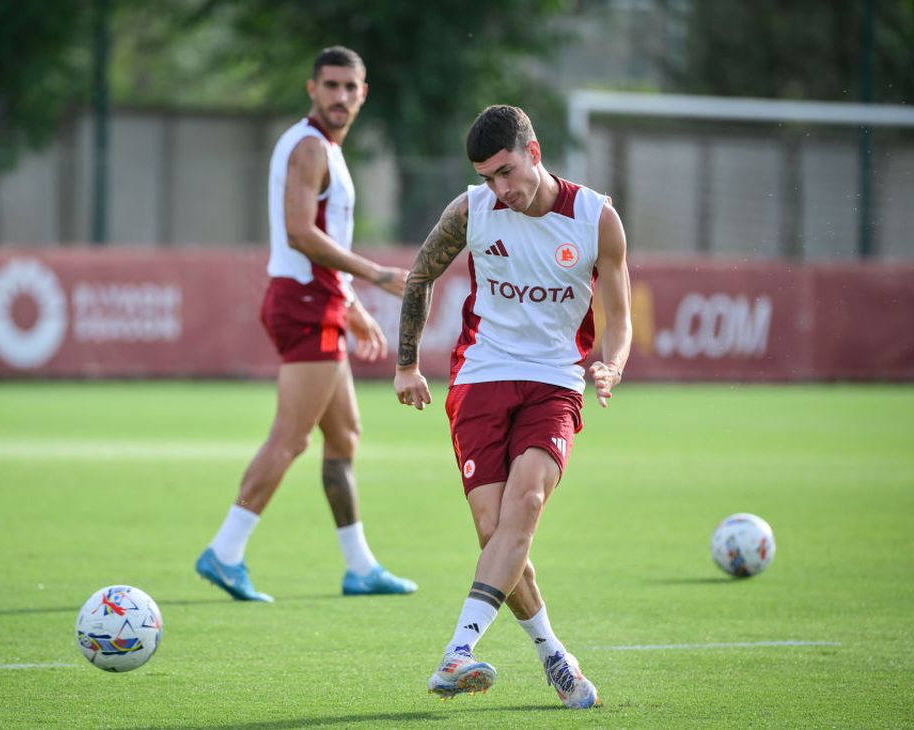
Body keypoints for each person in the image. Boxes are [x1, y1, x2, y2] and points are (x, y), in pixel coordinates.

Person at [394, 105, 631, 707]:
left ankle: (457, 651)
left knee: (524, 505)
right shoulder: (470, 210)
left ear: (534, 152)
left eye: (506, 172)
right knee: (493, 531)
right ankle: (555, 655)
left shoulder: (595, 218)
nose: (500, 189)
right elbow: (419, 276)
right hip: (481, 377)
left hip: (554, 382)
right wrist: (406, 365)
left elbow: (621, 317)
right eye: (487, 177)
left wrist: (612, 363)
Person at [196, 46, 417, 602]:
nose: (341, 96)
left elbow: (319, 239)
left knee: (344, 434)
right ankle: (225, 551)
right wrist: (373, 275)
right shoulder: (310, 147)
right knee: (290, 437)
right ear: (312, 89)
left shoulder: (327, 150)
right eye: (331, 85)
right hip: (304, 304)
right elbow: (300, 233)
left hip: (321, 301)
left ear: (363, 94)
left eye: (350, 87)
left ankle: (360, 566)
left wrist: (352, 305)